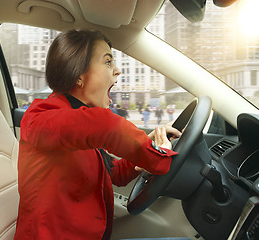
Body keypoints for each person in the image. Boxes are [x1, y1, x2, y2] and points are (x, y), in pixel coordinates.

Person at [14, 29, 181, 240]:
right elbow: (107, 126)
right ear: (78, 75)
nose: (117, 70)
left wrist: (146, 145)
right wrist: (157, 154)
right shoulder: (40, 118)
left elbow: (114, 174)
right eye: (108, 62)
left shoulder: (81, 125)